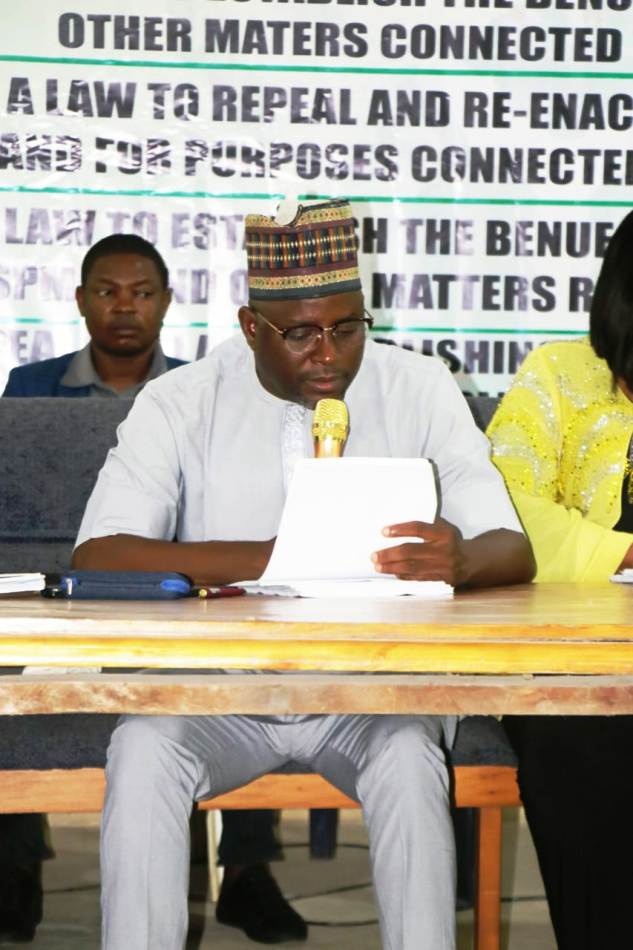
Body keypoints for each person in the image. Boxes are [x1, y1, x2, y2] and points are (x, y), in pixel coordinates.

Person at [72, 198, 534, 950]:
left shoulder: (416, 385)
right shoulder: (181, 400)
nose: (329, 355)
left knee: (409, 755)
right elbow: (100, 554)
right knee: (143, 748)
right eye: (300, 334)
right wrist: (288, 553)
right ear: (252, 327)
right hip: (218, 689)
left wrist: (462, 559)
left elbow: (511, 547)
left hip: (373, 690)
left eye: (347, 328)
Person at [2, 234, 302, 945]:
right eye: (107, 292)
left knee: (240, 666)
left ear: (166, 302)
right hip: (59, 599)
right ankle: (15, 866)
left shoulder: (200, 393)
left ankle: (246, 873)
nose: (124, 307)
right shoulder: (28, 388)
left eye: (141, 293)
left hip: (175, 594)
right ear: (81, 301)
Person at [487, 208, 633, 950]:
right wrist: (621, 556)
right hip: (572, 657)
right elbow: (499, 503)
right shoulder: (558, 375)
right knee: (574, 743)